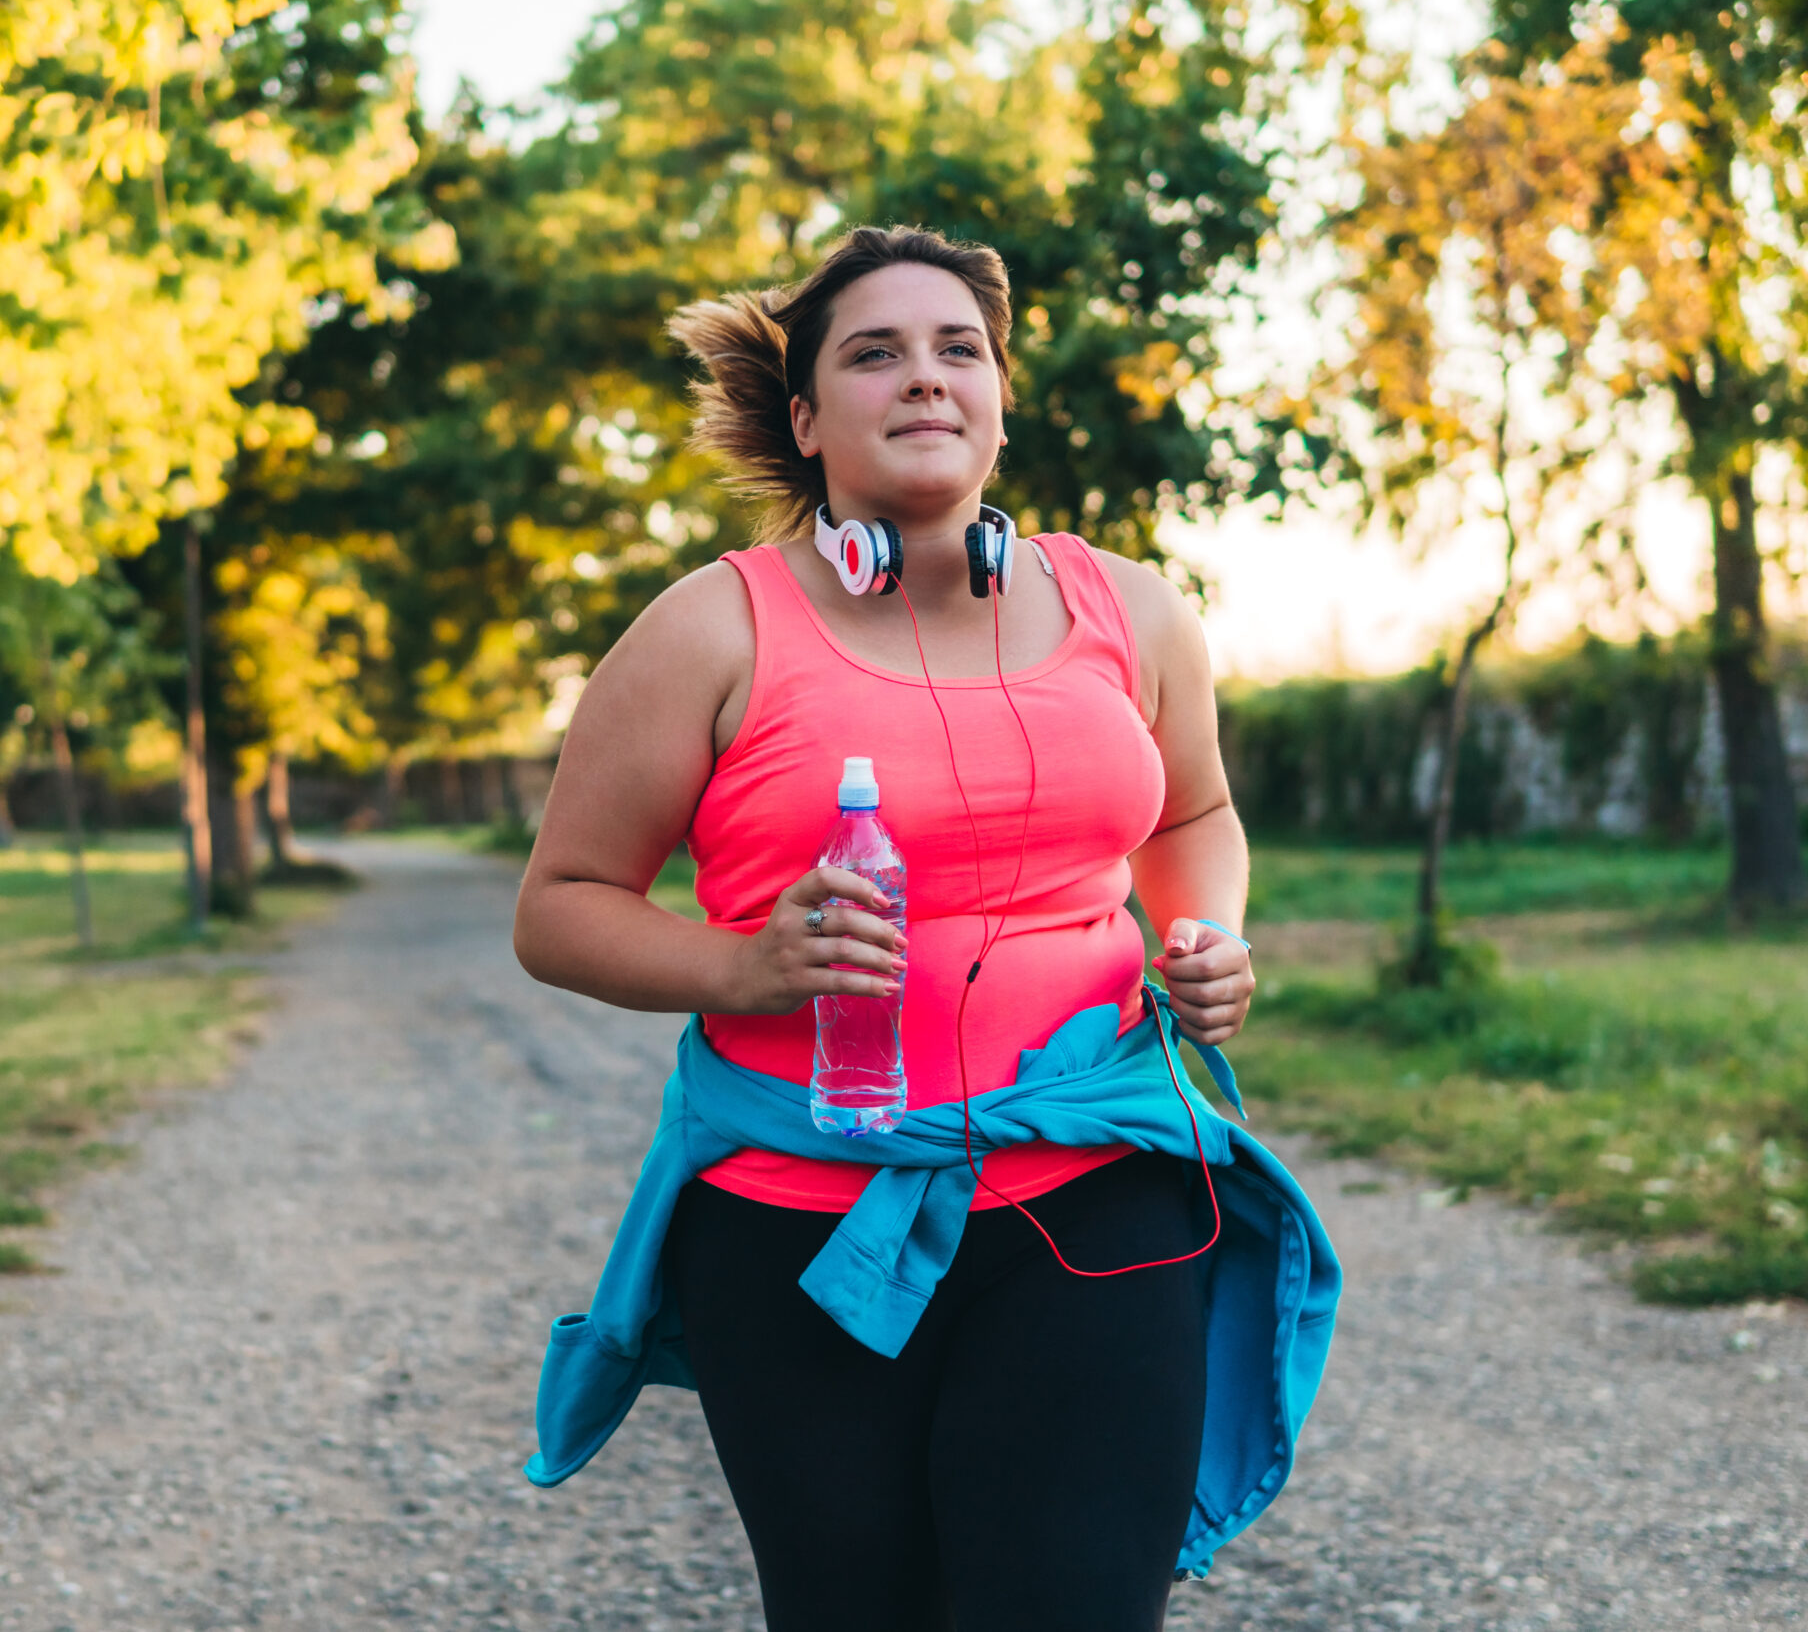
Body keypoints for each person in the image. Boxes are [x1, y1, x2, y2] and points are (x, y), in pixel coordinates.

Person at [512, 226, 1315, 1632]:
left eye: (961, 350)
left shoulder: (1132, 612)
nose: (926, 378)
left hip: (1102, 1179)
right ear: (808, 419)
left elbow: (1194, 820)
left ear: (1001, 400)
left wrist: (1208, 937)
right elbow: (560, 909)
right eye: (875, 353)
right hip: (796, 1223)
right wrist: (742, 965)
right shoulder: (710, 632)